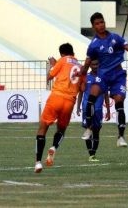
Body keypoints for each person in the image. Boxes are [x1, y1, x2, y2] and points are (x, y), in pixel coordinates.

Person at [80, 12, 128, 147]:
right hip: (102, 76)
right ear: (93, 26)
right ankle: (89, 128)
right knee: (91, 97)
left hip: (118, 75)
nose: (100, 25)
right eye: (97, 23)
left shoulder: (115, 37)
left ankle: (121, 137)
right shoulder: (93, 45)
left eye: (102, 22)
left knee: (119, 101)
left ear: (104, 23)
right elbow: (87, 63)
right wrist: (80, 73)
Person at [34, 42, 83, 173]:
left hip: (56, 97)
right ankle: (54, 147)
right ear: (73, 52)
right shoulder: (81, 67)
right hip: (70, 101)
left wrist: (53, 65)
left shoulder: (62, 60)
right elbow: (82, 88)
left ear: (62, 53)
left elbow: (50, 77)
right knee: (61, 129)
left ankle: (38, 162)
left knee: (43, 128)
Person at [76, 59, 111, 162]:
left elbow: (106, 95)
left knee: (96, 132)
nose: (95, 66)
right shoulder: (86, 77)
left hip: (98, 109)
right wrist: (78, 107)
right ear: (90, 65)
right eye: (93, 64)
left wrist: (108, 110)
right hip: (87, 108)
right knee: (87, 130)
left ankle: (93, 154)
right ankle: (90, 154)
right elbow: (81, 92)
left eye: (97, 64)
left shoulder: (103, 77)